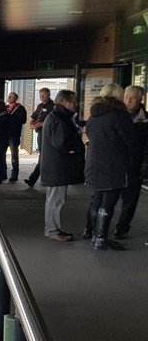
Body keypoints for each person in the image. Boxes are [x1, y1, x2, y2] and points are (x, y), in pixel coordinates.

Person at [83, 82, 135, 250]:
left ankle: (93, 234)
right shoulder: (120, 115)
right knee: (109, 201)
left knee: (98, 197)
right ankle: (101, 238)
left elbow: (89, 135)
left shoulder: (94, 115)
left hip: (93, 162)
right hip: (114, 164)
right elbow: (129, 140)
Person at [41, 89, 84, 242]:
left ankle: (53, 229)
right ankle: (52, 230)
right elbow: (62, 144)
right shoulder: (59, 119)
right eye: (73, 101)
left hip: (55, 167)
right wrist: (77, 145)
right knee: (56, 200)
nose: (75, 105)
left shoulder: (56, 117)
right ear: (65, 102)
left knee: (54, 200)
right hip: (57, 167)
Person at [113, 85, 147, 239]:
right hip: (115, 165)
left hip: (135, 166)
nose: (128, 101)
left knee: (130, 200)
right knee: (108, 197)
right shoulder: (116, 116)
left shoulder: (146, 121)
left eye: (133, 99)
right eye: (126, 98)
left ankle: (122, 228)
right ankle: (97, 226)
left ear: (140, 100)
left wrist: (144, 168)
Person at [24, 87, 55, 188]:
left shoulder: (53, 106)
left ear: (49, 95)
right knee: (42, 156)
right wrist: (32, 123)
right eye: (40, 95)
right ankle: (34, 179)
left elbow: (51, 121)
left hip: (47, 134)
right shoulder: (40, 106)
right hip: (40, 133)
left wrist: (40, 124)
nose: (42, 97)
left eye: (44, 95)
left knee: (44, 156)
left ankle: (34, 179)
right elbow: (34, 116)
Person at [3, 91, 27, 182]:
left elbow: (23, 120)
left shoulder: (20, 109)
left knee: (14, 155)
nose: (9, 97)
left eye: (11, 96)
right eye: (8, 96)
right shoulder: (5, 108)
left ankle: (14, 174)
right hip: (4, 134)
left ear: (15, 99)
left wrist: (11, 118)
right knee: (2, 154)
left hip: (14, 134)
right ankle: (3, 173)